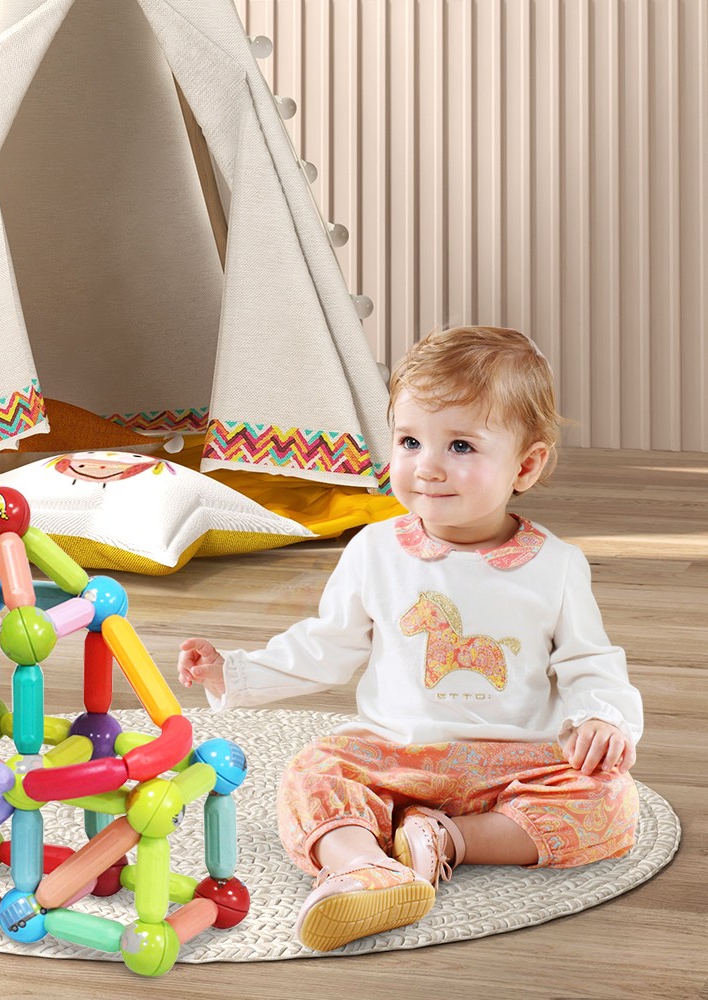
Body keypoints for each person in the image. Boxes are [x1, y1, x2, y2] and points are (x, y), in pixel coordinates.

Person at [177, 326, 642, 952]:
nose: (427, 466)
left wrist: (602, 717)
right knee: (312, 772)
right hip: (395, 752)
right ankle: (362, 868)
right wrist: (232, 672)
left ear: (526, 466)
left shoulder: (555, 565)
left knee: (610, 799)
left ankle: (450, 839)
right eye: (409, 441)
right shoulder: (375, 550)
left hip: (515, 762)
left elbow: (591, 660)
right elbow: (327, 644)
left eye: (460, 445)